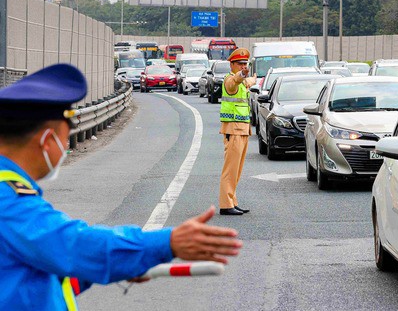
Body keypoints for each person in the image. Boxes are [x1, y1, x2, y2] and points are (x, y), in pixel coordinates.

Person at [0, 63, 243, 310]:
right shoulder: (8, 201)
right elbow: (74, 246)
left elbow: (36, 276)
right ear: (45, 140)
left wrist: (125, 263)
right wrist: (165, 243)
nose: (65, 144)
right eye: (65, 134)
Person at [218, 48, 256, 216]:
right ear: (232, 65)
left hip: (242, 129)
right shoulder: (230, 81)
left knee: (237, 170)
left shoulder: (242, 82)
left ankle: (232, 200)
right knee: (230, 170)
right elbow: (235, 82)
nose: (242, 67)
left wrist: (252, 79)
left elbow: (245, 83)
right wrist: (242, 75)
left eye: (244, 64)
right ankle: (226, 204)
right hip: (233, 129)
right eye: (239, 64)